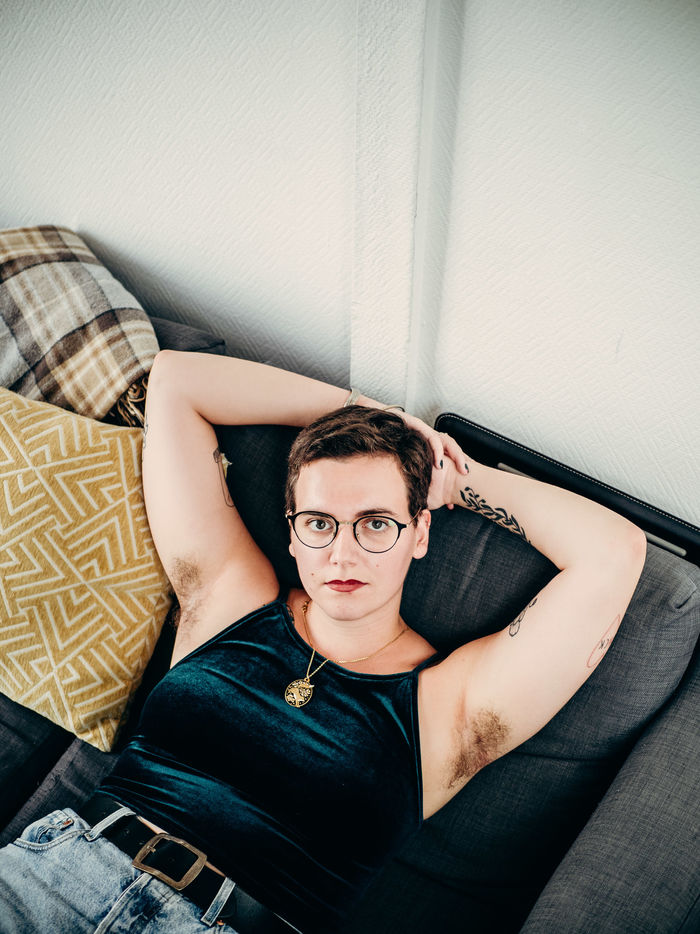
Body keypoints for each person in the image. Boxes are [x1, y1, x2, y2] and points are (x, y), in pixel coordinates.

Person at [0, 350, 647, 934]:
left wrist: (451, 477)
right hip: (59, 871)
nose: (342, 553)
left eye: (376, 523)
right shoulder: (231, 598)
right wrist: (384, 420)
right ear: (292, 533)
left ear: (420, 533)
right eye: (319, 523)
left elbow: (613, 553)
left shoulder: (450, 706)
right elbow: (176, 382)